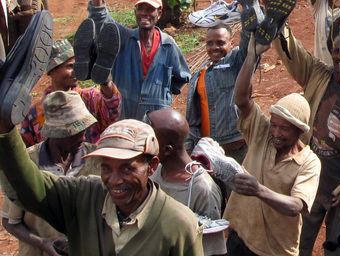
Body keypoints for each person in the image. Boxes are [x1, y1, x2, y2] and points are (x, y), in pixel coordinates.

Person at [0, 39, 202, 256]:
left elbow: (111, 103)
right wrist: (5, 127)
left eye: (127, 168)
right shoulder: (86, 196)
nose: (114, 179)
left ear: (152, 166)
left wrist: (105, 80)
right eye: (106, 167)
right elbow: (29, 185)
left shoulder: (179, 225)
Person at [272, 18, 340, 255]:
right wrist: (278, 20)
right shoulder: (319, 76)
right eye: (336, 51)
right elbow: (294, 51)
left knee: (337, 248)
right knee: (298, 244)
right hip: (309, 183)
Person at [224, 38, 321, 256]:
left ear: (300, 130)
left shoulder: (309, 162)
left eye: (284, 129)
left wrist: (258, 190)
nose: (275, 133)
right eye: (274, 125)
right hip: (240, 237)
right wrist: (251, 56)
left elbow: (296, 205)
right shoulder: (262, 133)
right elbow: (241, 99)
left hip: (276, 250)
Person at [2, 91, 101, 256]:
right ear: (56, 134)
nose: (82, 136)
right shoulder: (26, 164)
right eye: (74, 132)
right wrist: (43, 243)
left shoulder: (97, 160)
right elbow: (10, 222)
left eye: (84, 129)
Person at [86, 0, 190, 119]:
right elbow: (99, 16)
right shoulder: (123, 38)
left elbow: (182, 77)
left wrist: (161, 93)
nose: (144, 13)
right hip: (124, 115)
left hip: (155, 119)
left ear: (159, 13)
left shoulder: (168, 45)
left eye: (149, 9)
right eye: (140, 8)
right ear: (135, 12)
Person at [148, 108, 226, 256]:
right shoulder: (155, 172)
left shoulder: (202, 189)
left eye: (150, 140)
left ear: (167, 150)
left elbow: (212, 249)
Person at [20, 39, 120, 146]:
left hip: (88, 162)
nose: (76, 70)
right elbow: (27, 151)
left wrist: (105, 81)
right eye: (70, 66)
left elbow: (113, 109)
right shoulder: (35, 114)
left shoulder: (89, 98)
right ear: (52, 70)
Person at [185, 23, 249, 163]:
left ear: (231, 43)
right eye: (210, 43)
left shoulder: (236, 62)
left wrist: (246, 14)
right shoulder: (198, 75)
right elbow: (193, 118)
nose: (214, 47)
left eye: (220, 42)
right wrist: (189, 147)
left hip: (235, 148)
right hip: (208, 150)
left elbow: (249, 47)